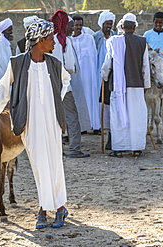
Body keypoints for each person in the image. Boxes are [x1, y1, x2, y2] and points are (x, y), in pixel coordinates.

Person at [0, 18, 70, 229]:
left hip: (52, 122)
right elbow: (2, 92)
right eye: (51, 38)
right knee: (39, 165)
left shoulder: (55, 64)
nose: (54, 42)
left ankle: (58, 207)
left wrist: (54, 100)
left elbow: (66, 81)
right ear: (40, 40)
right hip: (30, 123)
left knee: (54, 164)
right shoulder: (17, 63)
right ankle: (45, 207)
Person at [101, 13, 150, 158]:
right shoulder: (142, 42)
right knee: (136, 116)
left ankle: (119, 149)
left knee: (119, 116)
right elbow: (145, 67)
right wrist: (146, 84)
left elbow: (107, 63)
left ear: (122, 27)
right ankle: (136, 148)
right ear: (134, 27)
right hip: (137, 85)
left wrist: (103, 76)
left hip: (118, 85)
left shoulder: (113, 41)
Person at [50, 10, 91, 158]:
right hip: (64, 85)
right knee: (72, 117)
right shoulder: (64, 41)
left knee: (53, 117)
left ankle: (56, 150)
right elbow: (70, 66)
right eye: (70, 25)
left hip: (51, 85)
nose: (72, 28)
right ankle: (75, 149)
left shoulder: (50, 39)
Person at [72, 15, 99, 132]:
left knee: (90, 98)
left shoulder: (89, 38)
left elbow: (94, 57)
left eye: (80, 25)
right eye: (76, 25)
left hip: (88, 76)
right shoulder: (68, 40)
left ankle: (94, 124)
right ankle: (82, 126)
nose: (78, 27)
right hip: (75, 77)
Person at [93, 10, 116, 149]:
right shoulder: (95, 37)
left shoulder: (115, 37)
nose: (108, 26)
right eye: (107, 23)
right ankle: (98, 126)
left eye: (110, 23)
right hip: (98, 72)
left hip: (112, 74)